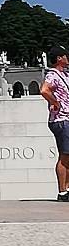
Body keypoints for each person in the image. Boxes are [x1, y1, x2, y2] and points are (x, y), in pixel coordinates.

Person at [39, 45, 69, 202]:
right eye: (65, 55)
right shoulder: (53, 75)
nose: (67, 58)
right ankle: (62, 191)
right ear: (59, 58)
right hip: (61, 119)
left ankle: (67, 188)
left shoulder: (64, 75)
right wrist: (56, 103)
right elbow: (44, 90)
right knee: (65, 155)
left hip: (66, 118)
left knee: (68, 156)